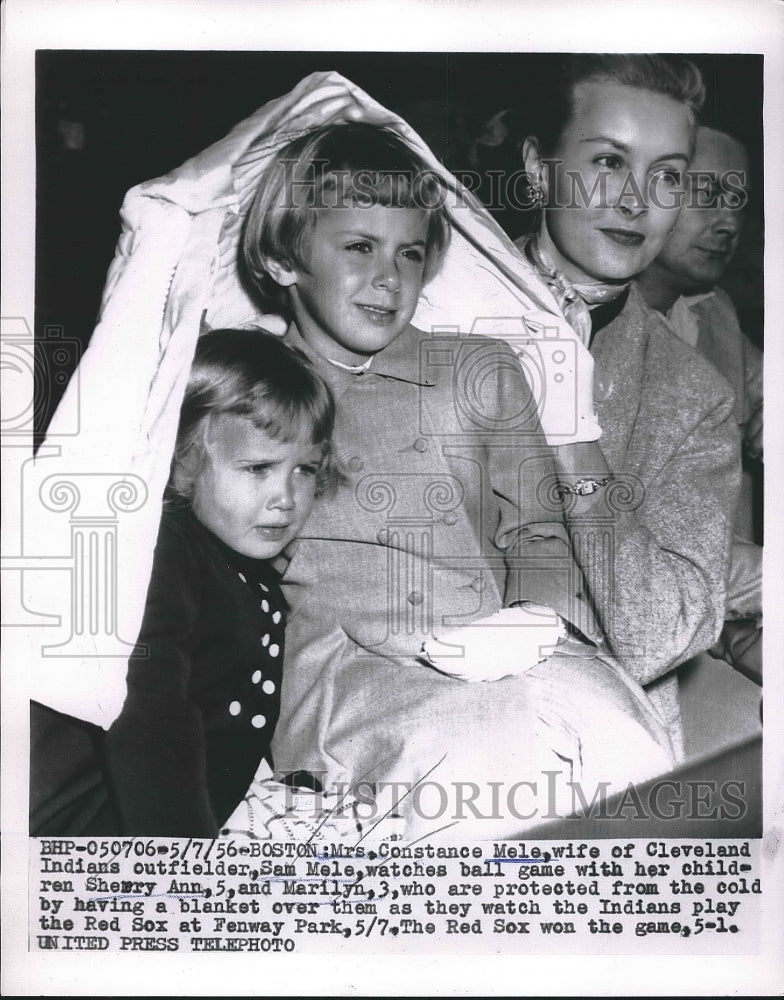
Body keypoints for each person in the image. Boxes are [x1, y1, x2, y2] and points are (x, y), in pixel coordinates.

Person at [240, 119, 675, 836]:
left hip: (513, 638)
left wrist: (540, 620)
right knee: (485, 769)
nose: (389, 278)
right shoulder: (253, 389)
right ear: (285, 259)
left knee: (629, 749)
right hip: (356, 667)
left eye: (410, 253)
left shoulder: (480, 369)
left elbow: (537, 530)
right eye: (358, 247)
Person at [516, 55, 742, 757]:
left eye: (667, 174)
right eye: (609, 161)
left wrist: (575, 439)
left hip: (597, 743)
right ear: (536, 168)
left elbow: (662, 632)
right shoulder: (419, 304)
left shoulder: (691, 396)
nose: (638, 201)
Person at [30, 329, 337, 836]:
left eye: (304, 469)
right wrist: (185, 863)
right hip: (96, 832)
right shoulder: (162, 553)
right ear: (181, 460)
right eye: (258, 468)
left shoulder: (235, 561)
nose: (286, 496)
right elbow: (151, 717)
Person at [637, 125, 762, 683]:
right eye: (705, 193)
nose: (729, 220)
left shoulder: (713, 311)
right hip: (646, 644)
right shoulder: (579, 334)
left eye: (736, 199)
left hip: (720, 623)